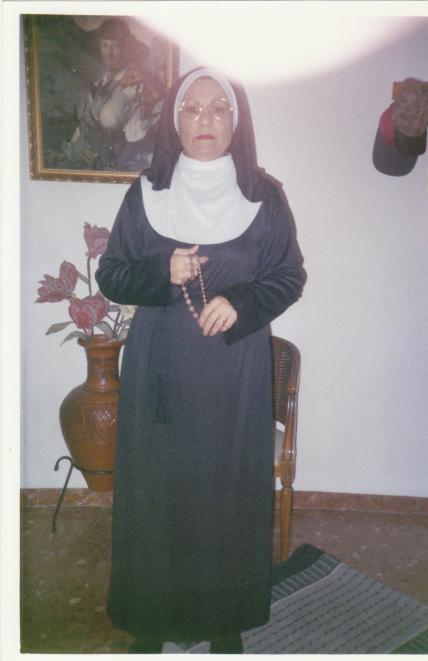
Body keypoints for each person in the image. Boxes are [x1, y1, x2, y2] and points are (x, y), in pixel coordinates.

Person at [95, 67, 306, 653]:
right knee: (156, 489)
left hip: (232, 374)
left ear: (236, 121)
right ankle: (151, 617)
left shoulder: (264, 196)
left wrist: (242, 302)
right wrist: (161, 271)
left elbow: (289, 276)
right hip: (158, 368)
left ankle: (222, 618)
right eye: (192, 108)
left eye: (218, 108)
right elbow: (111, 274)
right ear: (175, 121)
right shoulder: (145, 193)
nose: (205, 119)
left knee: (224, 491)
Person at [63, 18, 163, 171]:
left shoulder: (139, 83)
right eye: (105, 45)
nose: (108, 53)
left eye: (114, 46)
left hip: (124, 165)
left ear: (126, 49)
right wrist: (71, 150)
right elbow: (86, 124)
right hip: (92, 164)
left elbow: (138, 132)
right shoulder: (100, 83)